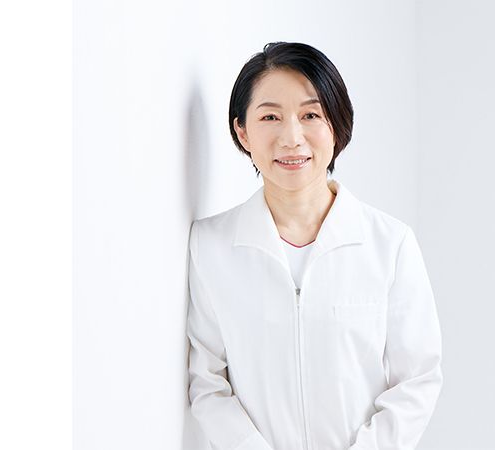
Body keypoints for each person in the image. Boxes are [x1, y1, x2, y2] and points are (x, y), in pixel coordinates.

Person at [186, 42, 443, 450]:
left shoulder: (390, 245)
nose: (292, 138)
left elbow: (417, 380)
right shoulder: (211, 246)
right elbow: (207, 383)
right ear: (242, 131)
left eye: (311, 115)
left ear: (336, 126)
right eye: (270, 116)